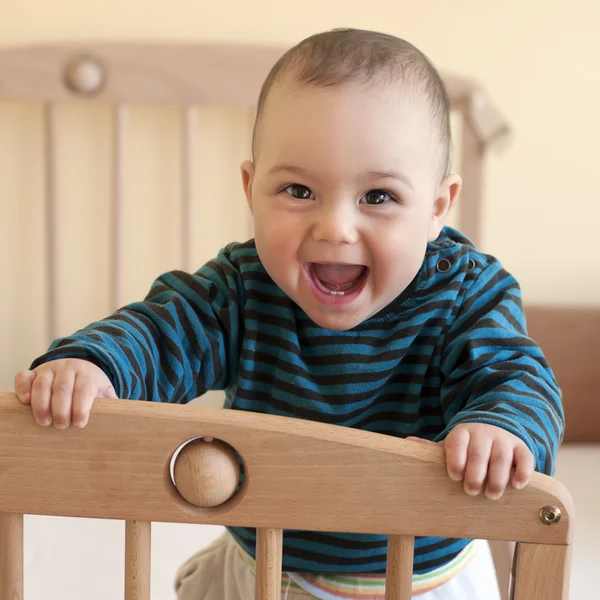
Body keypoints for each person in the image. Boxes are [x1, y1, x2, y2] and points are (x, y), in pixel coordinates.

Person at [13, 28, 564, 599]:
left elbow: (515, 375)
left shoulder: (464, 297)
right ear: (251, 190)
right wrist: (92, 365)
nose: (335, 228)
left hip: (424, 579)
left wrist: (501, 426)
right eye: (299, 190)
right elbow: (161, 332)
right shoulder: (243, 290)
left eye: (378, 197)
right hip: (262, 567)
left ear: (437, 208)